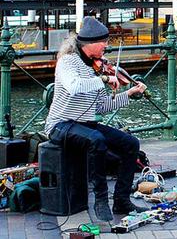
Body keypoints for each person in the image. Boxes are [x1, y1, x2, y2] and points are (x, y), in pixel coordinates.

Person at [44, 17, 148, 222]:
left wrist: (129, 94)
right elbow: (74, 87)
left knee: (130, 143)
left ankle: (121, 200)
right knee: (96, 139)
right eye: (104, 42)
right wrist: (103, 79)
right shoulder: (68, 62)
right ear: (90, 43)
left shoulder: (96, 67)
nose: (106, 47)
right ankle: (100, 199)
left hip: (85, 124)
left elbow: (101, 106)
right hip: (60, 124)